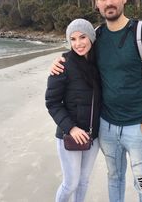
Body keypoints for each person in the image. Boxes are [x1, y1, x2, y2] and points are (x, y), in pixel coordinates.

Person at [50, 0, 142, 202]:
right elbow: (77, 54)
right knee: (114, 178)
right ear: (96, 3)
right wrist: (56, 62)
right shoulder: (97, 36)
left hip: (138, 127)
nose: (108, 2)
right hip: (107, 128)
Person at [45, 18, 101, 202]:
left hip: (93, 135)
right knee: (71, 183)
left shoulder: (99, 63)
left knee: (84, 181)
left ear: (91, 38)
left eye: (82, 37)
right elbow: (52, 102)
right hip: (69, 136)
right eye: (73, 39)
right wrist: (71, 128)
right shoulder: (63, 64)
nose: (78, 44)